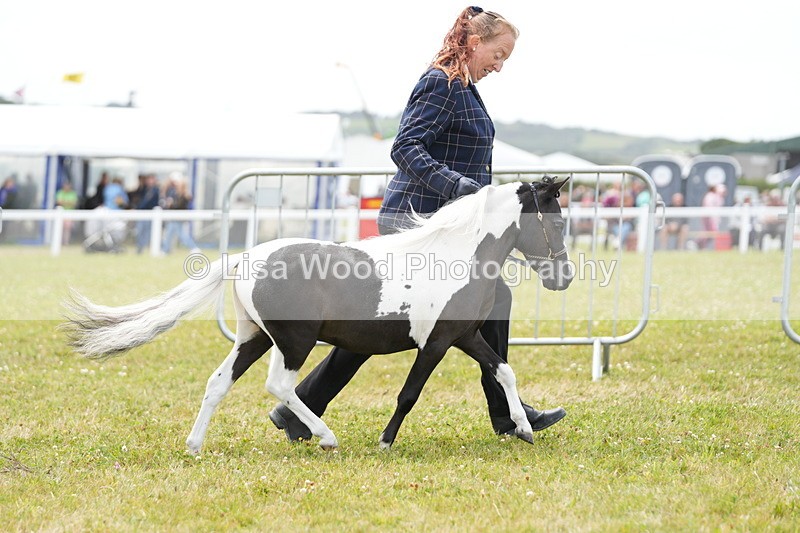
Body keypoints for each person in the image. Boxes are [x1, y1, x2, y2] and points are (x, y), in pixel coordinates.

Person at [268, 6, 566, 442]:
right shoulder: (441, 83)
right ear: (475, 42)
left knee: (386, 319)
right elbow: (405, 147)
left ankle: (300, 410)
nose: (499, 66)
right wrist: (459, 187)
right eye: (498, 55)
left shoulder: (463, 87)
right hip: (415, 219)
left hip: (445, 227)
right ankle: (506, 415)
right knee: (459, 305)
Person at [161, 176, 200, 254]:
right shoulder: (175, 193)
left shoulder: (185, 195)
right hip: (174, 218)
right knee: (169, 234)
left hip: (179, 218)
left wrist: (171, 204)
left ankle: (194, 248)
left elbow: (179, 206)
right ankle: (166, 249)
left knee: (181, 235)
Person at [135, 174, 160, 254]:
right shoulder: (145, 189)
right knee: (140, 231)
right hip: (142, 213)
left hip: (150, 213)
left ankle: (146, 248)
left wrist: (139, 207)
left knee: (148, 232)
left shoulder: (155, 190)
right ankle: (140, 248)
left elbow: (147, 202)